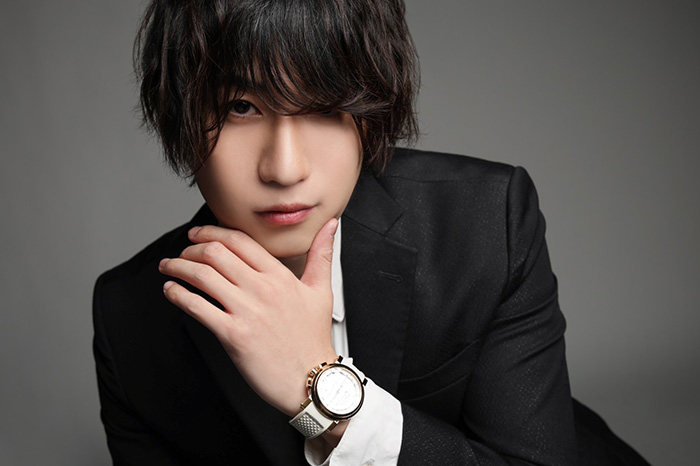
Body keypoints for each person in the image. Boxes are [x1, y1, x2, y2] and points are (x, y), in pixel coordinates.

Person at [93, 0, 652, 465]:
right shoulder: (132, 319)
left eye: (322, 106)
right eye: (241, 107)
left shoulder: (485, 223)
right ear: (180, 117)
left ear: (370, 113)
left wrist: (323, 393)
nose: (284, 169)